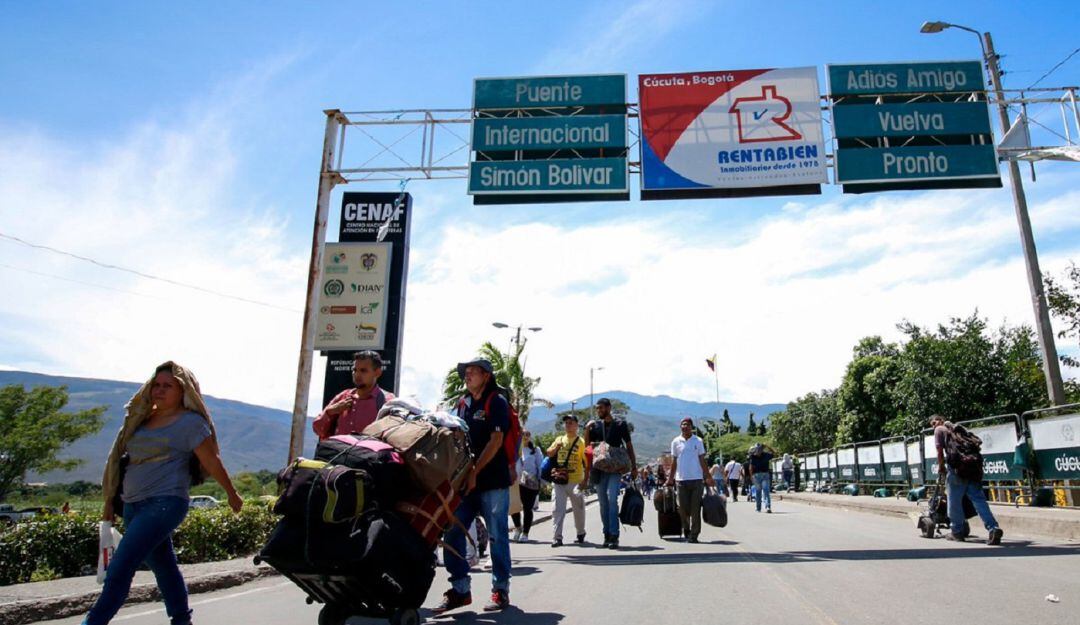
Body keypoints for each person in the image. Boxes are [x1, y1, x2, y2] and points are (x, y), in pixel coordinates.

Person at [89, 362, 242, 625]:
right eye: (156, 385)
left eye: (167, 386)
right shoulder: (140, 418)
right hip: (132, 504)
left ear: (183, 391)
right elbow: (119, 462)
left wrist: (231, 493)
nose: (159, 390)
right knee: (164, 567)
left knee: (120, 568)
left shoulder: (190, 423)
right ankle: (182, 621)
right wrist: (110, 502)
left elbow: (211, 461)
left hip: (165, 503)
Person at [433, 359, 512, 614]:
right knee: (453, 531)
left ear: (486, 376)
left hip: (493, 482)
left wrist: (475, 472)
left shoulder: (496, 401)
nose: (466, 376)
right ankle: (460, 590)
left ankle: (500, 589)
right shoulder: (463, 404)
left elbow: (497, 440)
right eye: (465, 373)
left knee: (497, 535)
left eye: (472, 372)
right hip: (466, 483)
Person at [930, 415, 1004, 544]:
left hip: (957, 470)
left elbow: (939, 451)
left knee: (954, 501)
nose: (934, 425)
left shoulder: (939, 430)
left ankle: (957, 531)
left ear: (940, 420)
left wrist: (941, 467)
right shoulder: (958, 429)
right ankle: (993, 528)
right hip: (972, 469)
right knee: (979, 500)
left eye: (934, 422)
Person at [585, 397, 637, 549]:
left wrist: (634, 467)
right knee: (603, 503)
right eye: (597, 409)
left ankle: (614, 535)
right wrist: (587, 429)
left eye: (601, 408)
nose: (599, 411)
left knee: (612, 499)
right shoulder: (594, 426)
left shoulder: (620, 425)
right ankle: (606, 533)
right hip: (599, 469)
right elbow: (588, 447)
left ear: (608, 408)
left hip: (615, 469)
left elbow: (629, 446)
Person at [312, 350, 395, 440]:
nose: (357, 375)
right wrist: (330, 412)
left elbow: (393, 436)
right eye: (354, 370)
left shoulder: (387, 401)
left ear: (377, 373)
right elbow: (317, 429)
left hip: (368, 453)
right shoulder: (343, 397)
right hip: (338, 452)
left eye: (363, 371)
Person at [666, 418, 714, 542]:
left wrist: (708, 476)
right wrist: (670, 479)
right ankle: (686, 528)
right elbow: (674, 462)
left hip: (697, 480)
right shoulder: (676, 442)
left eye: (687, 425)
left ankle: (694, 535)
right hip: (681, 480)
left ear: (691, 427)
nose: (684, 426)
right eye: (682, 424)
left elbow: (702, 460)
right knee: (682, 508)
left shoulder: (698, 441)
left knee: (695, 509)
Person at [547, 414, 589, 547]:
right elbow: (549, 453)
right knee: (557, 509)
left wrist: (585, 480)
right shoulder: (559, 439)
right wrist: (556, 447)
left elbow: (587, 462)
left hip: (576, 480)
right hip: (559, 480)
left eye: (571, 423)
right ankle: (557, 537)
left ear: (577, 425)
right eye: (566, 423)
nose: (568, 425)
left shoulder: (581, 442)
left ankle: (580, 532)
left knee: (579, 509)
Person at [511, 430, 542, 543]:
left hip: (530, 483)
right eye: (523, 434)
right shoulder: (515, 449)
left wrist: (540, 482)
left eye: (528, 434)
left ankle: (525, 533)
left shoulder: (535, 450)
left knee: (527, 508)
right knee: (515, 507)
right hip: (516, 482)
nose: (525, 436)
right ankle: (518, 528)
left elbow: (540, 466)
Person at [748, 443, 777, 513]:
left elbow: (774, 452)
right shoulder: (753, 456)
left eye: (759, 449)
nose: (758, 451)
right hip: (757, 476)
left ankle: (767, 507)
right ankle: (759, 508)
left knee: (766, 491)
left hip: (764, 475)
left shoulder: (764, 455)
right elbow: (750, 467)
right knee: (759, 492)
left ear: (761, 449)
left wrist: (767, 446)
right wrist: (751, 476)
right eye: (757, 449)